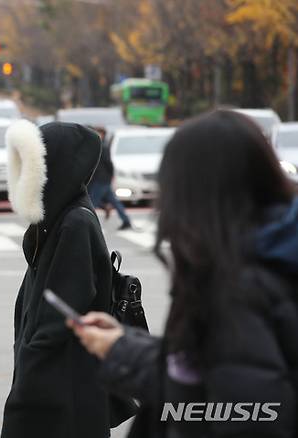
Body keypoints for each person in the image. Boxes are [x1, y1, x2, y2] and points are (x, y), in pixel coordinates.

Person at [69, 110, 298, 438]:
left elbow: (243, 414)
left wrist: (126, 358)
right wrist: (125, 347)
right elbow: (217, 368)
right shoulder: (272, 249)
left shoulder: (237, 284)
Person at [1, 120, 112, 438]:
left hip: (62, 386)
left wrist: (30, 372)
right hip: (54, 382)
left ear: (52, 168)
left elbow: (62, 310)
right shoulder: (56, 220)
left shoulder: (74, 223)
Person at [88, 126, 132, 230]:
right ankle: (126, 220)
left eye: (99, 132)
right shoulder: (98, 145)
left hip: (101, 179)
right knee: (114, 202)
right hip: (101, 179)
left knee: (92, 203)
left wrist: (111, 175)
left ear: (103, 134)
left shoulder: (102, 146)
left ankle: (91, 226)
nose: (97, 134)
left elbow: (108, 163)